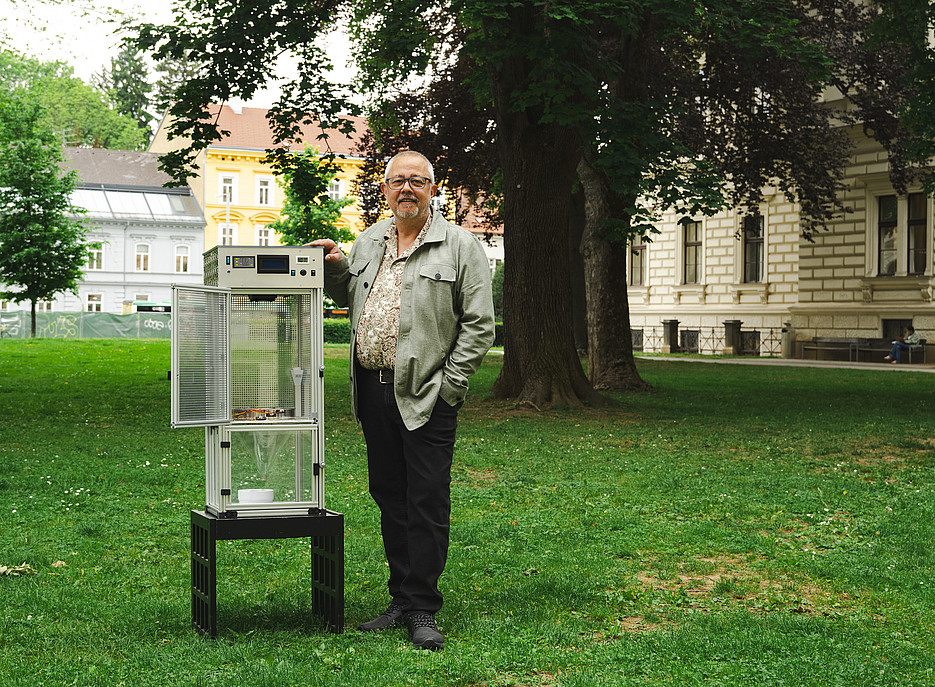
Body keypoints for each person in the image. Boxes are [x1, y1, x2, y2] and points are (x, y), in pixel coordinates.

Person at [310, 150, 495, 650]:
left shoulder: (460, 245)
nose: (406, 189)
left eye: (417, 181)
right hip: (373, 390)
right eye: (398, 182)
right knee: (390, 495)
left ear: (433, 189)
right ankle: (401, 596)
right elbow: (351, 294)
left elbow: (480, 325)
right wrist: (332, 268)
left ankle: (422, 608)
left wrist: (450, 387)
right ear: (385, 189)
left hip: (428, 393)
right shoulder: (369, 239)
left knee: (426, 498)